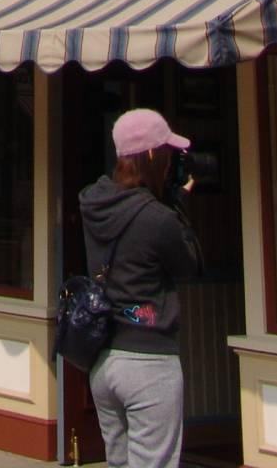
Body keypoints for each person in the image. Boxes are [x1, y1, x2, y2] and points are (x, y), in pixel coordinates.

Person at [78, 107, 203, 468]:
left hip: (104, 361)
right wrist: (178, 203)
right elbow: (188, 265)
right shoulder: (158, 218)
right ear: (151, 155)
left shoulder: (92, 203)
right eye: (166, 154)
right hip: (148, 362)